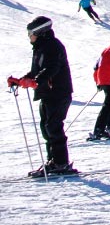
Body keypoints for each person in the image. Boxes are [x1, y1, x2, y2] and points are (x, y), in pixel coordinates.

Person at [8, 16, 76, 176]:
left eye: (30, 33)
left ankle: (61, 163)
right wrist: (20, 81)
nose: (29, 36)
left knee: (53, 126)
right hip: (47, 93)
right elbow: (36, 72)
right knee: (46, 127)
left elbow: (52, 68)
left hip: (58, 92)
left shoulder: (53, 46)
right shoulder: (41, 48)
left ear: (39, 32)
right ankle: (53, 161)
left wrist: (36, 81)